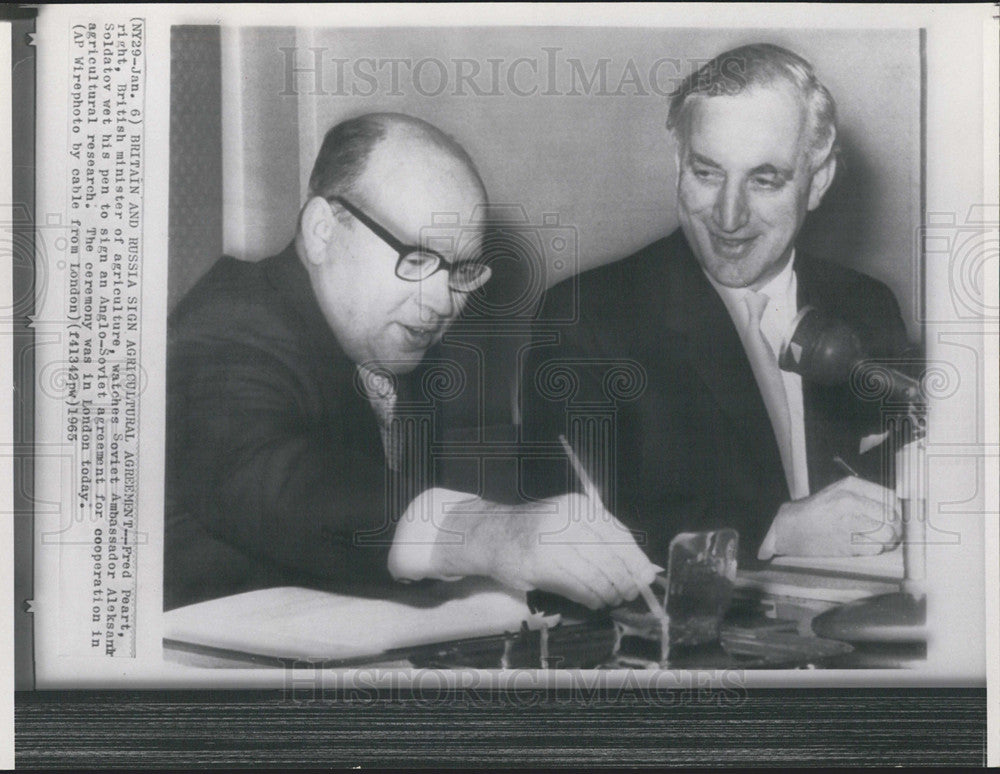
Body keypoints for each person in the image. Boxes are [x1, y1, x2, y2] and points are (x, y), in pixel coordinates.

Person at [165, 112, 658, 611]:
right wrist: (485, 532)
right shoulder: (231, 320)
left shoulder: (391, 350)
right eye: (418, 259)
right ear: (321, 230)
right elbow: (272, 480)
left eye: (461, 270)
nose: (443, 302)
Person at [522, 44, 909, 569]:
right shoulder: (587, 317)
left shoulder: (868, 306)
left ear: (817, 182)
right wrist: (772, 531)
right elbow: (571, 529)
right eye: (707, 174)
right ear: (678, 163)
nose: (728, 216)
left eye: (763, 179)